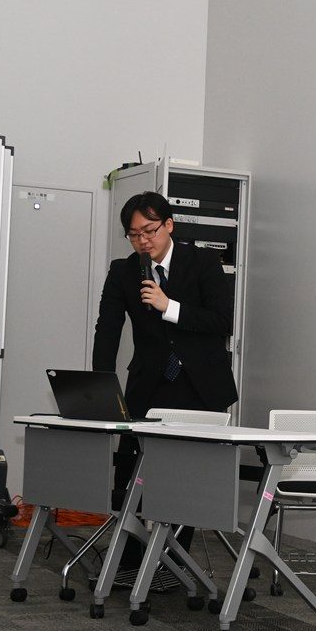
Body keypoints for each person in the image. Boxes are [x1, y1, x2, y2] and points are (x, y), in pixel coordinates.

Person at [93, 191, 238, 573]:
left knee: (186, 480)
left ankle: (173, 565)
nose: (143, 241)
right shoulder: (123, 271)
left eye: (150, 231)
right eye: (134, 234)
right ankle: (129, 563)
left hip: (200, 386)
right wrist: (101, 387)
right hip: (149, 385)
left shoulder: (203, 262)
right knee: (131, 473)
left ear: (169, 225)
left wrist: (168, 306)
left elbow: (222, 321)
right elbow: (107, 330)